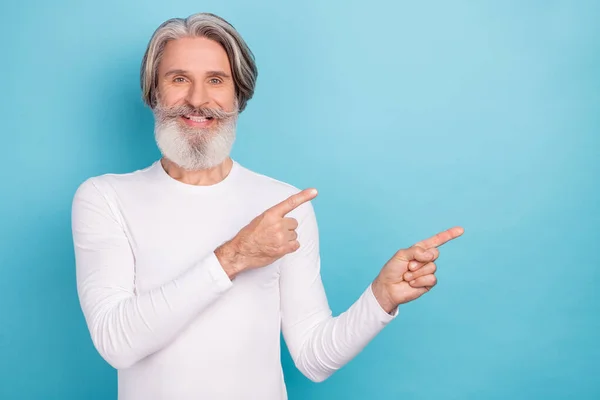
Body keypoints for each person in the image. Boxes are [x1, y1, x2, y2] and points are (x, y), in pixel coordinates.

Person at [71, 12, 464, 400]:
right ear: (153, 93)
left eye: (216, 80)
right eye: (178, 79)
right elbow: (116, 343)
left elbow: (313, 357)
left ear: (238, 96)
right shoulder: (106, 198)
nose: (197, 99)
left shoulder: (281, 205)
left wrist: (380, 298)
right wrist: (235, 256)